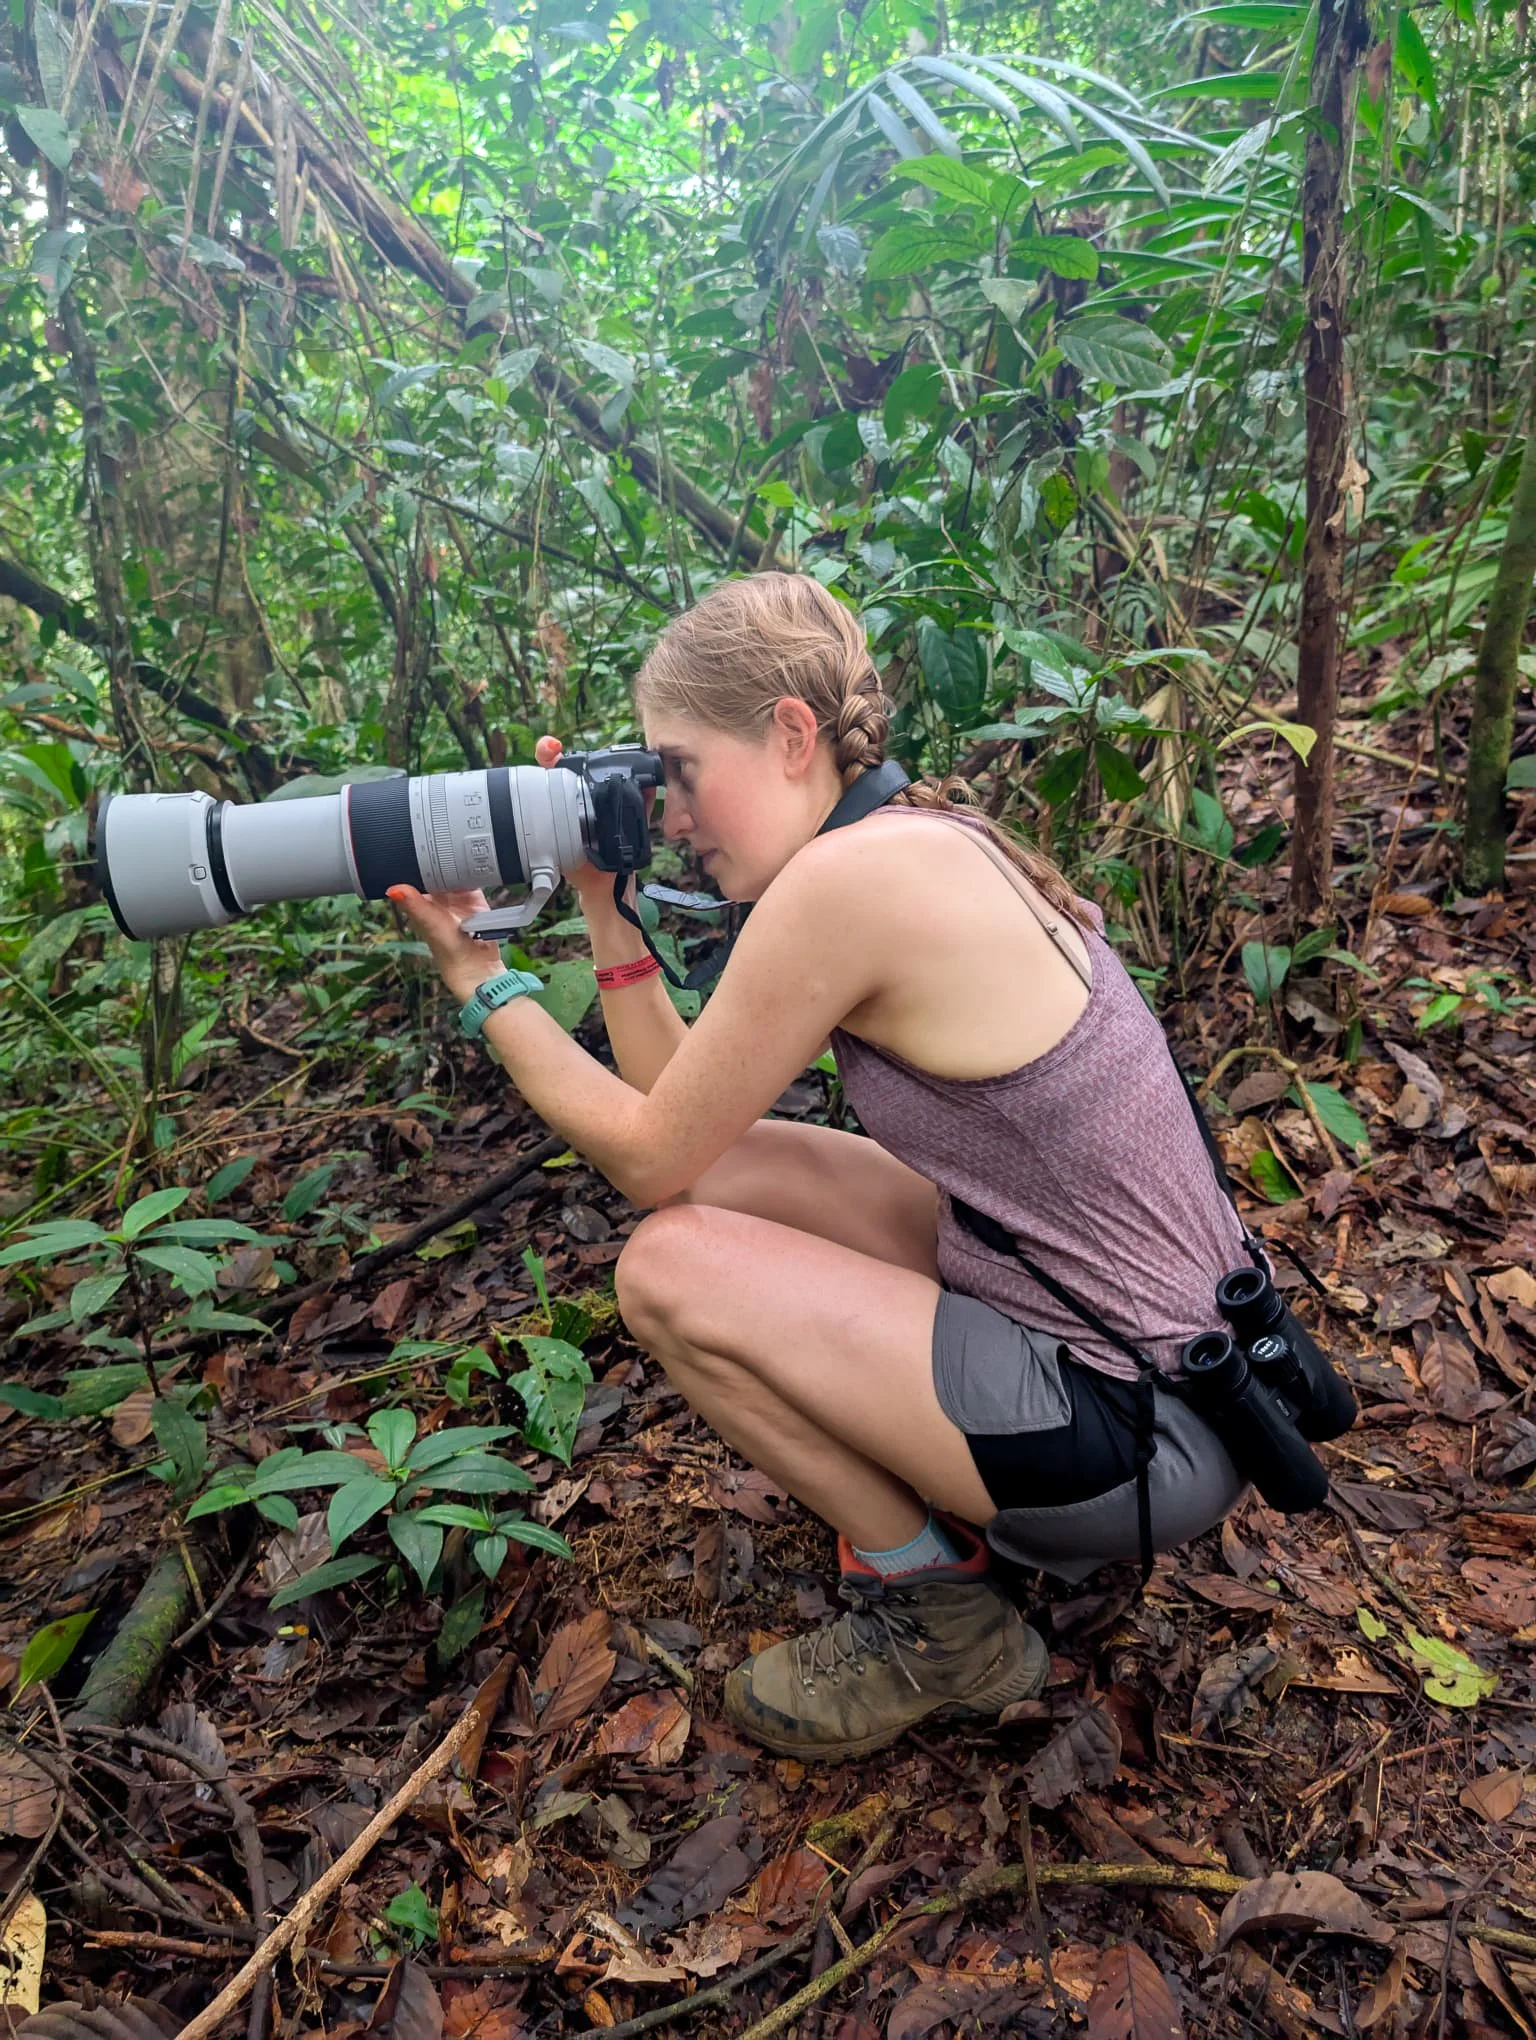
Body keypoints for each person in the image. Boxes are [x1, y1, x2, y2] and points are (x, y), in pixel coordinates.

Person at [388, 572, 1248, 1762]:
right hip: (1188, 1375)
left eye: (678, 771)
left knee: (667, 1268)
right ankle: (969, 1496)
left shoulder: (848, 886)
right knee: (735, 1178)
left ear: (792, 735)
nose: (669, 811)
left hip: (1138, 1431)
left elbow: (643, 1157)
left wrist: (484, 985)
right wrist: (605, 904)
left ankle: (942, 1618)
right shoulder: (916, 840)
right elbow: (688, 1131)